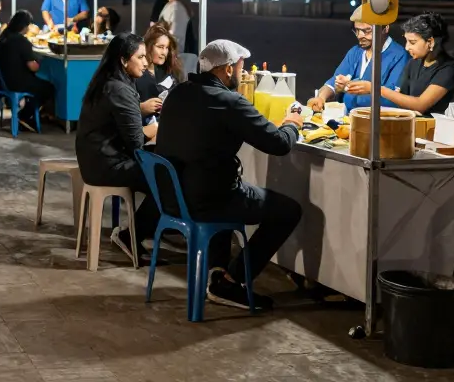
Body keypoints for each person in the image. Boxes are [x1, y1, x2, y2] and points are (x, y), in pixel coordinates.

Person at [154, 40, 303, 310]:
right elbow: (279, 144)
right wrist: (293, 124)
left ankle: (217, 273)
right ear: (226, 71)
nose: (242, 74)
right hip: (207, 200)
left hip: (172, 199)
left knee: (218, 183)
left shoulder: (179, 93)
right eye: (240, 69)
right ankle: (231, 282)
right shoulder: (228, 101)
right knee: (288, 210)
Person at [74, 33, 162, 261]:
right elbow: (137, 143)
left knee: (163, 166)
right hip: (107, 164)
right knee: (167, 178)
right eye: (140, 57)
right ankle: (131, 235)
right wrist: (161, 128)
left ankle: (139, 232)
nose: (146, 62)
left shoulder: (108, 81)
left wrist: (139, 110)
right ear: (124, 60)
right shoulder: (120, 88)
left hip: (96, 158)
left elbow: (114, 118)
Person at [307, 17, 409, 113]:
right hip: (347, 118)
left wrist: (349, 88)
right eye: (357, 30)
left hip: (377, 122)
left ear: (385, 28)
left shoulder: (399, 56)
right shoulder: (355, 52)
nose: (360, 35)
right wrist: (321, 97)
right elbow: (334, 81)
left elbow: (393, 100)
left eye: (367, 31)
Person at [379, 12, 454, 116]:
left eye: (412, 42)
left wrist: (378, 89)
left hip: (437, 128)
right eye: (406, 41)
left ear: (430, 42)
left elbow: (420, 106)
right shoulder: (413, 63)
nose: (407, 47)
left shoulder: (449, 69)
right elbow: (401, 98)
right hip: (410, 125)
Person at [0, 10, 57, 132]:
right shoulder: (21, 41)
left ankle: (34, 114)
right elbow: (33, 67)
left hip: (0, 82)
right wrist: (40, 63)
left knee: (37, 84)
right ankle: (24, 117)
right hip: (15, 82)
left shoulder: (3, 37)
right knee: (49, 88)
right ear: (24, 26)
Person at [135, 24, 183, 136]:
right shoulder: (137, 74)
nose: (164, 53)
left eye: (166, 48)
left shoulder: (171, 73)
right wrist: (142, 108)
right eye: (160, 47)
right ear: (149, 46)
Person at [159, 0, 195, 73]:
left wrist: (168, 50)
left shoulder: (176, 8)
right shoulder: (174, 6)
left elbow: (176, 34)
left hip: (174, 54)